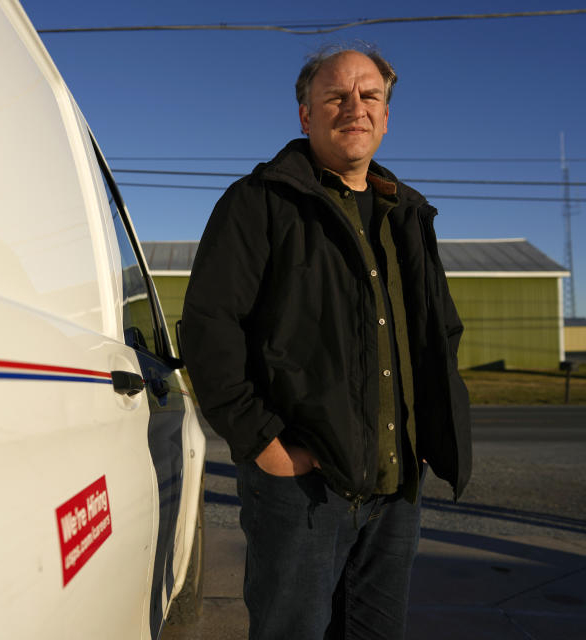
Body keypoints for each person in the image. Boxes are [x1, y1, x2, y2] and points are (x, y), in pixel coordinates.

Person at [181, 46, 472, 639]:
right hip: (302, 493)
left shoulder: (407, 214)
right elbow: (210, 329)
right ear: (305, 115)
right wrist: (264, 441)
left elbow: (439, 332)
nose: (355, 107)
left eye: (370, 96)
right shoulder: (257, 203)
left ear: (386, 117)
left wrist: (426, 430)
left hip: (396, 493)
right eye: (336, 96)